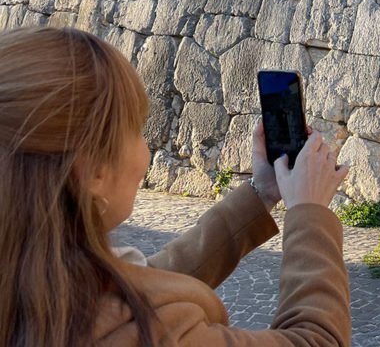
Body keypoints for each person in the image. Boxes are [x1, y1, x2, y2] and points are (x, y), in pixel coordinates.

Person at [0, 26, 351, 347]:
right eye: (138, 130)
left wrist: (262, 193)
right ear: (93, 173)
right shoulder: (141, 330)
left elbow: (145, 279)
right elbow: (319, 340)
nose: (146, 153)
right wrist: (311, 213)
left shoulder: (31, 280)